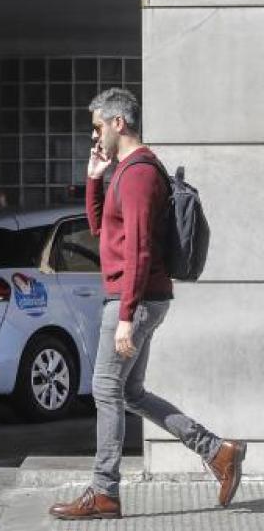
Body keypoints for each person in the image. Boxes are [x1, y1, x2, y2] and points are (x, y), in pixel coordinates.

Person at [48, 88, 244, 520]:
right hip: (140, 298)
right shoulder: (123, 172)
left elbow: (137, 248)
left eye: (98, 126)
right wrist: (95, 179)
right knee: (129, 392)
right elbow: (104, 233)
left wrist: (124, 317)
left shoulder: (138, 174)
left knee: (105, 388)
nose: (94, 135)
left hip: (132, 299)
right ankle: (217, 451)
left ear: (119, 123)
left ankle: (104, 492)